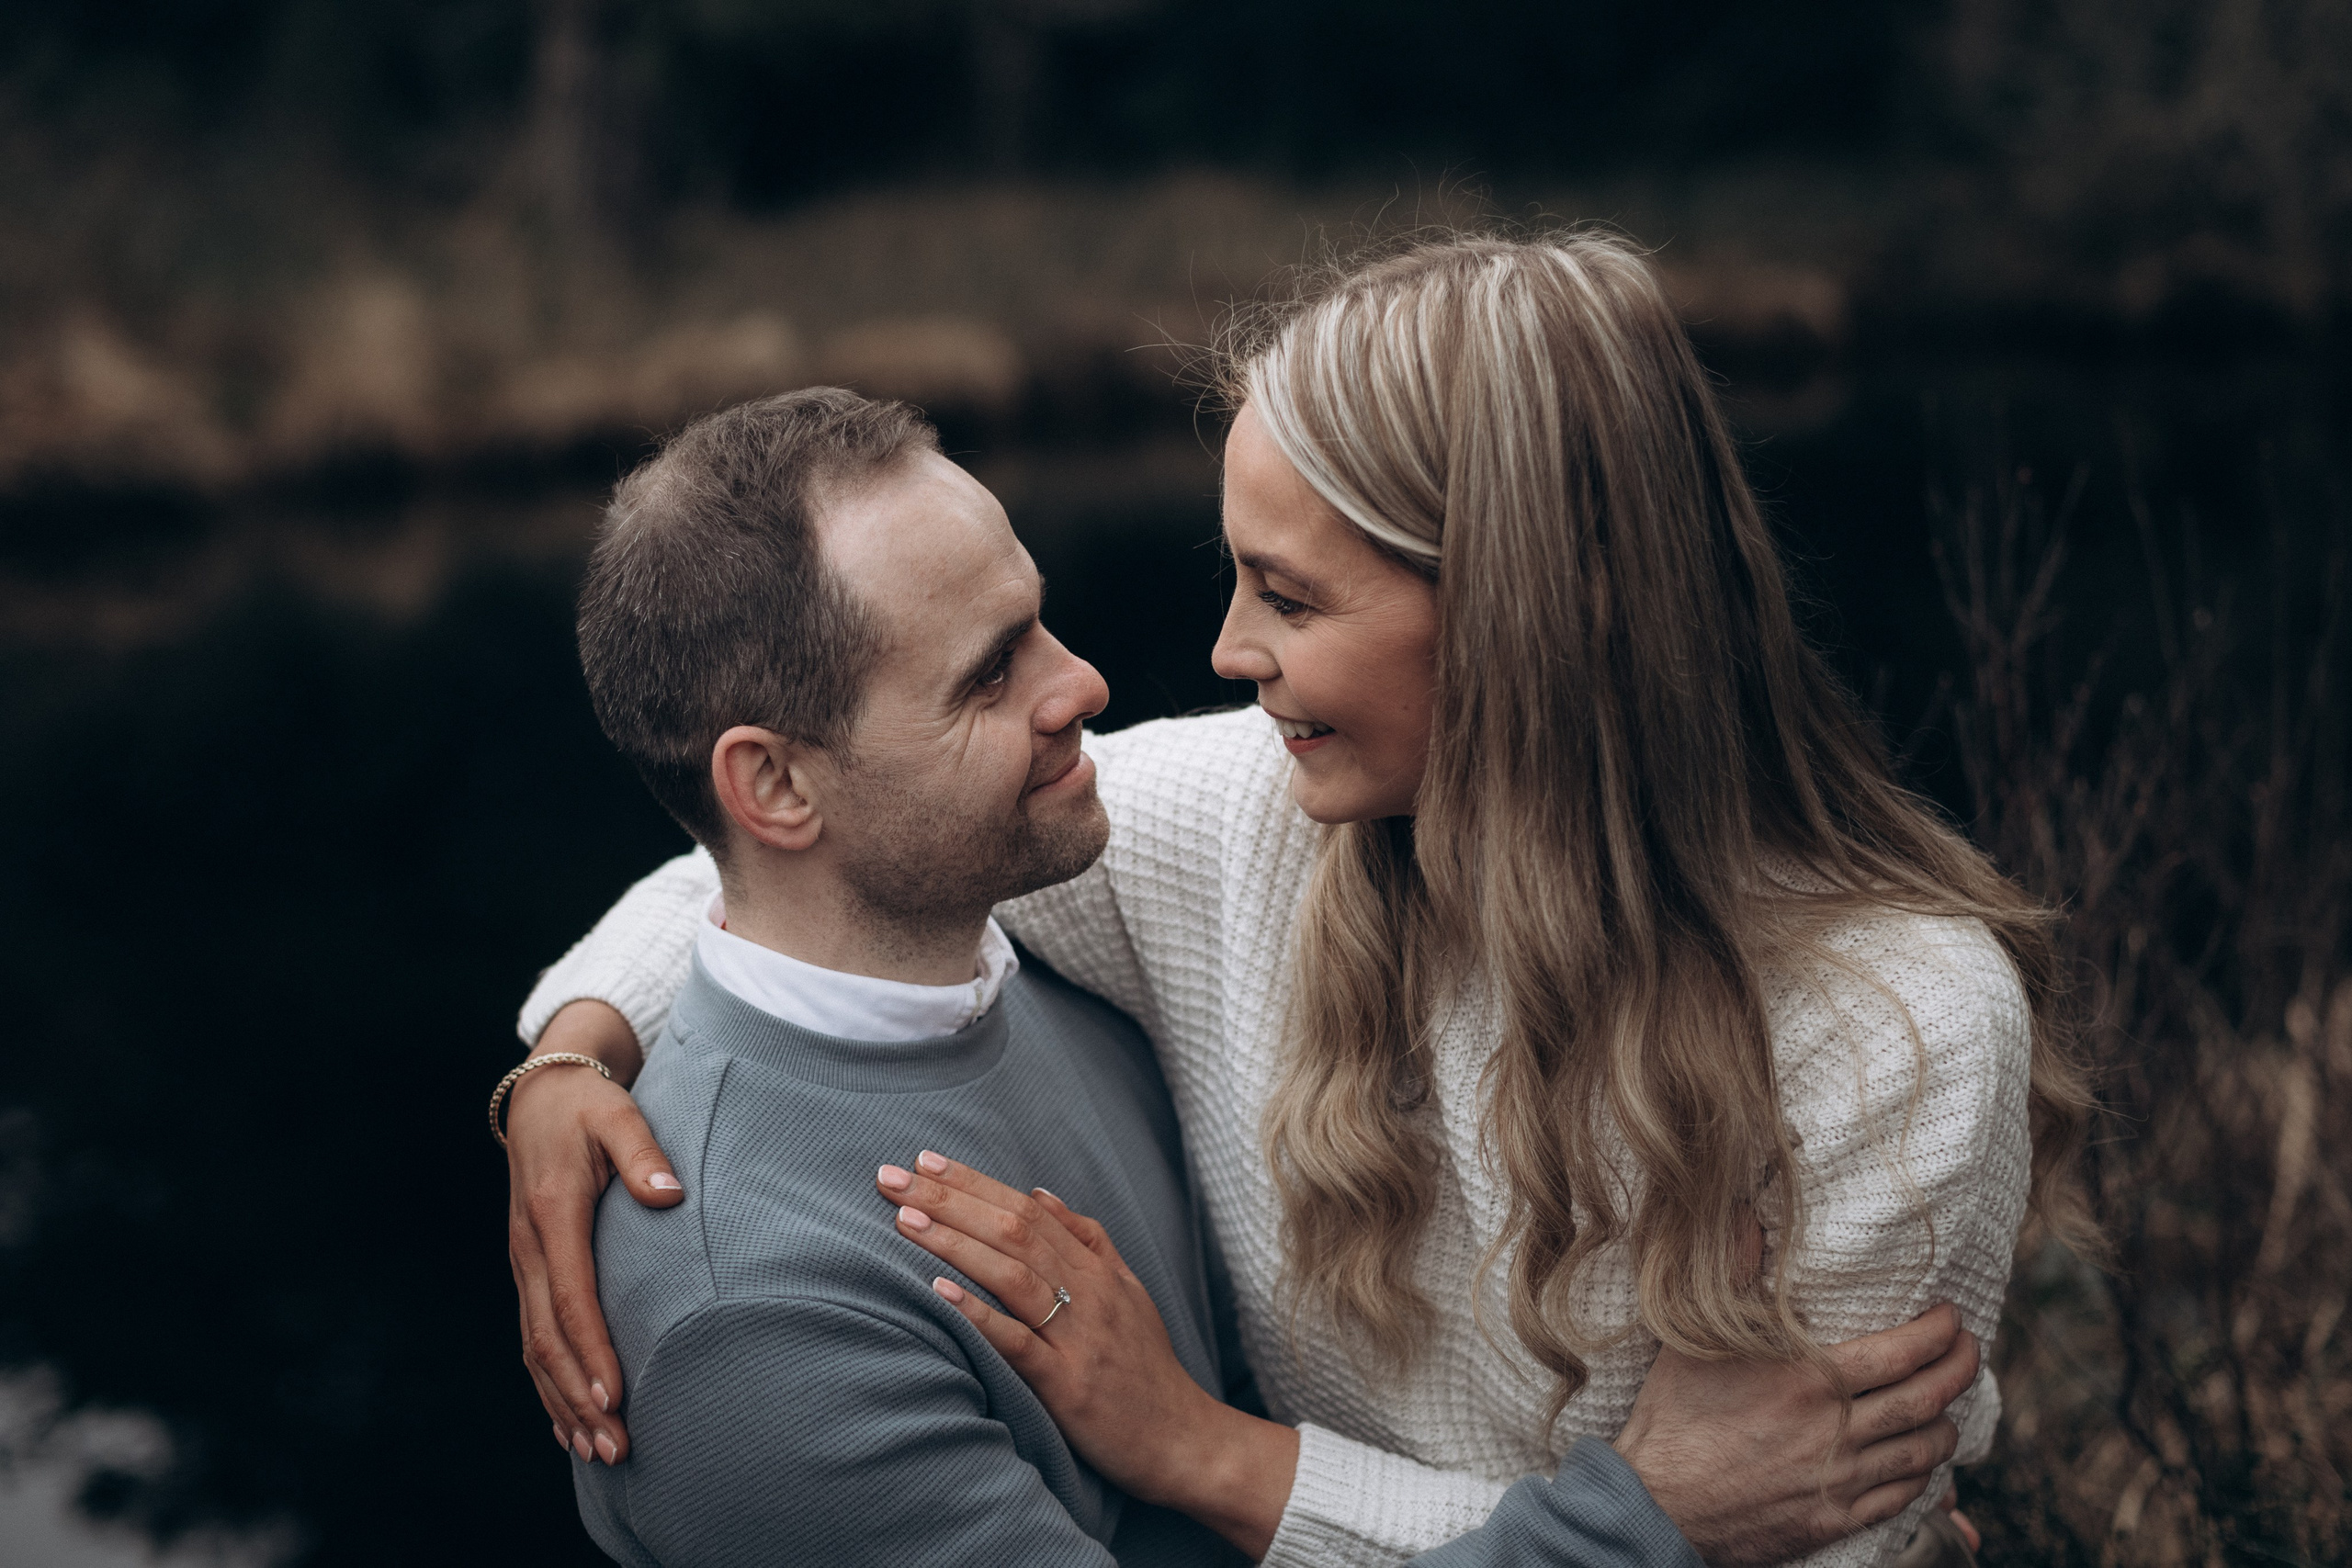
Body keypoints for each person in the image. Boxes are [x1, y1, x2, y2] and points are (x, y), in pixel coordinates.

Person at [514, 231, 2079, 1565]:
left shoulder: (1895, 1031)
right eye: (1239, 574)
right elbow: (785, 871)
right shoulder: (1251, 833)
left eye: (1289, 595)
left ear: (1537, 610)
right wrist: (569, 1060)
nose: (1218, 653)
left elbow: (1816, 1540)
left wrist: (1216, 1459)